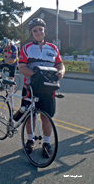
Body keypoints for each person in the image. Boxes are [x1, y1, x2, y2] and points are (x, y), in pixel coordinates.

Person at [19, 18, 65, 157]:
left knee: (47, 117)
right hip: (30, 87)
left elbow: (60, 65)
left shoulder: (53, 48)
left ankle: (46, 143)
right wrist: (36, 76)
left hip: (48, 88)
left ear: (44, 31)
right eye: (35, 30)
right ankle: (30, 140)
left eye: (41, 29)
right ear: (31, 33)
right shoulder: (26, 47)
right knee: (30, 116)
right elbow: (22, 67)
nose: (38, 32)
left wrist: (61, 72)